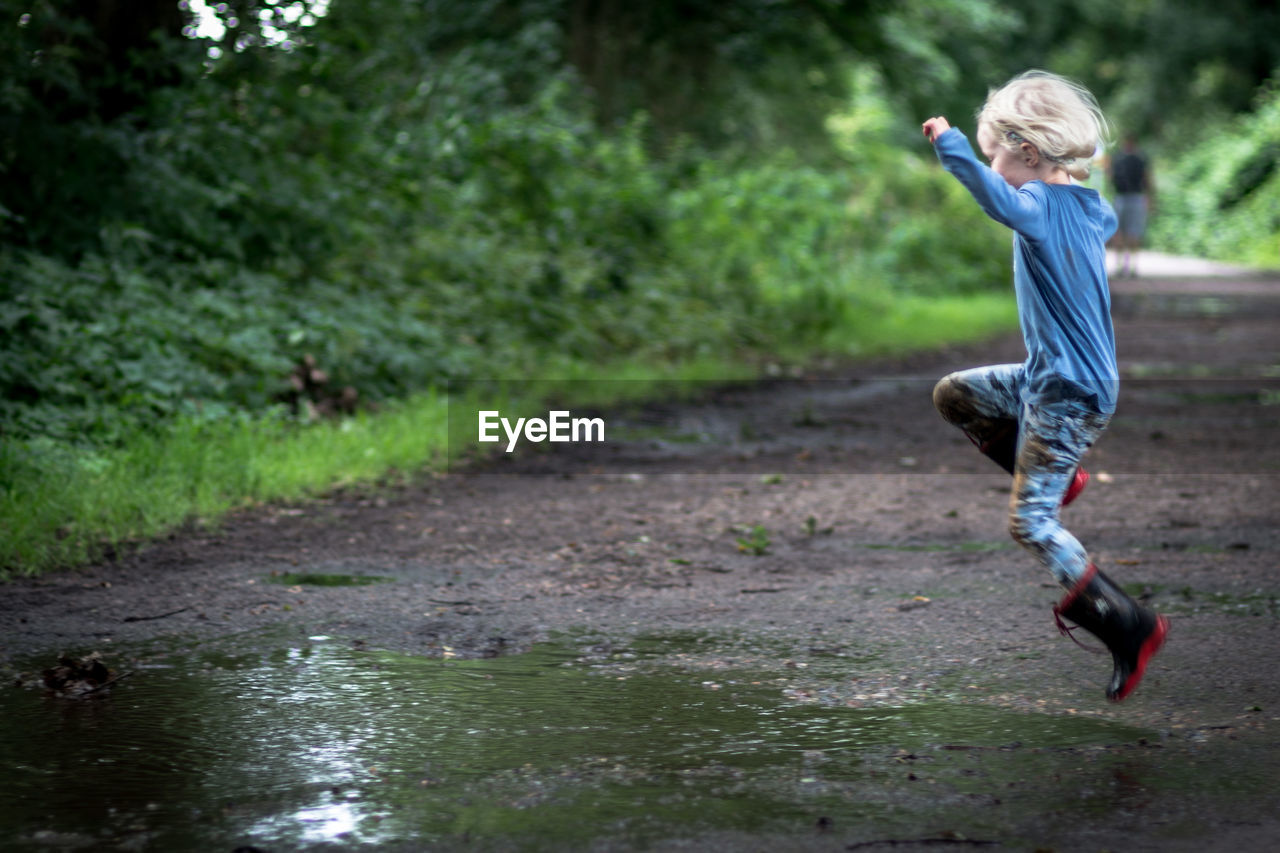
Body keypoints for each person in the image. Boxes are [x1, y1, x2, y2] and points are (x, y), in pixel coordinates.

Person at [920, 71, 1168, 702]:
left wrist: (951, 146)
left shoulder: (1036, 208)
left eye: (996, 152)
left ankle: (1129, 626)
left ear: (1029, 152)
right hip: (1045, 380)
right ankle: (1062, 475)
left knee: (1030, 525)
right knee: (956, 394)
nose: (992, 165)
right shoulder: (1089, 207)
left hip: (1069, 392)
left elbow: (999, 200)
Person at [1108, 136, 1153, 277]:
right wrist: (1150, 198)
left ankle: (1120, 266)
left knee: (1118, 231)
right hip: (1137, 197)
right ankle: (1133, 266)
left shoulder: (1116, 159)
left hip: (1120, 197)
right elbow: (1148, 179)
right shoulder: (1141, 159)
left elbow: (1109, 177)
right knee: (1134, 232)